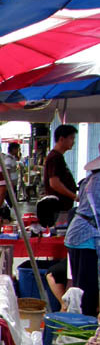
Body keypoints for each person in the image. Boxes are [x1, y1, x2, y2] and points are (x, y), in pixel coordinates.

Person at [63, 149, 100, 316]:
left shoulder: (90, 179)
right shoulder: (97, 181)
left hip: (78, 235)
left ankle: (81, 321)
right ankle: (86, 325)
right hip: (86, 237)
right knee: (87, 290)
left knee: (80, 288)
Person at [43, 124, 78, 214]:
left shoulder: (58, 157)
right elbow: (54, 183)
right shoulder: (55, 158)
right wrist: (74, 196)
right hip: (58, 207)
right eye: (71, 138)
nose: (73, 142)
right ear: (61, 139)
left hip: (63, 206)